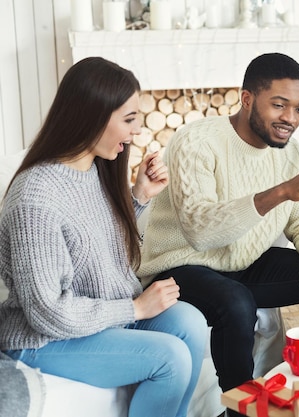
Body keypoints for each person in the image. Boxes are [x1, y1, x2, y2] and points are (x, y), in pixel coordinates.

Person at [137, 52, 299, 415]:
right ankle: (240, 410)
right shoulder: (195, 141)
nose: (290, 119)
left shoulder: (288, 153)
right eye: (279, 105)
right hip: (182, 264)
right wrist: (283, 191)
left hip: (244, 262)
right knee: (235, 302)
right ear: (247, 100)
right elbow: (200, 230)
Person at [0, 57, 208, 417]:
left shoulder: (91, 171)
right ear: (92, 116)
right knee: (169, 358)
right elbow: (46, 312)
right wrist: (135, 308)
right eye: (129, 119)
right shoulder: (35, 198)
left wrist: (139, 197)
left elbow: (94, 247)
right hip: (44, 339)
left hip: (96, 317)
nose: (137, 131)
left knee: (190, 323)